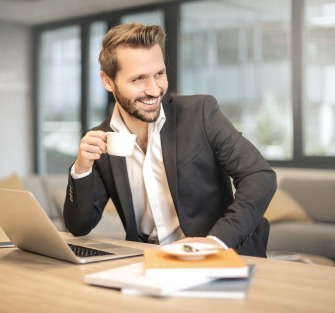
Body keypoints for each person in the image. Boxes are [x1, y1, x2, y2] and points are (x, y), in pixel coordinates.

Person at [63, 23, 277, 257]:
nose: (154, 90)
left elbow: (259, 176)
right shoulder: (102, 139)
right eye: (139, 79)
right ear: (107, 81)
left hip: (217, 255)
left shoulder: (201, 113)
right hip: (147, 259)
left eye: (159, 74)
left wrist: (217, 240)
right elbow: (79, 226)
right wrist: (81, 169)